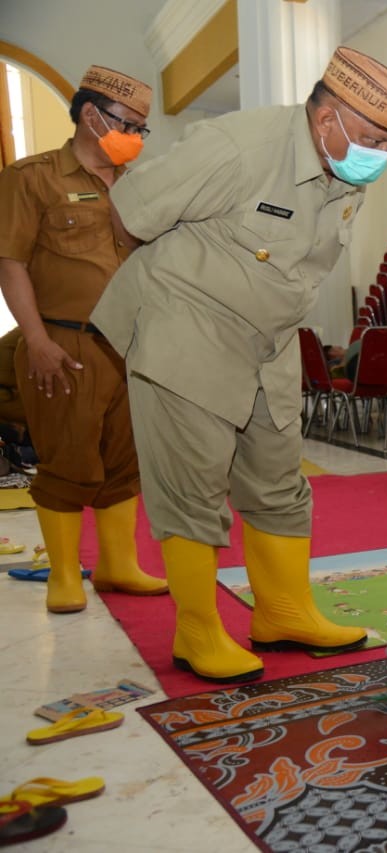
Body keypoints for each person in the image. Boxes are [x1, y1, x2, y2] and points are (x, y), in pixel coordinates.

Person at [89, 47, 387, 683]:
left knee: (278, 479)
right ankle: (197, 632)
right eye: (373, 137)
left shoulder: (346, 171)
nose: (379, 152)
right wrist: (180, 283)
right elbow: (130, 215)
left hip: (267, 338)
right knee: (193, 485)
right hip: (187, 326)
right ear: (326, 119)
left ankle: (284, 611)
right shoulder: (237, 145)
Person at [0, 65, 168, 614]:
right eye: (129, 125)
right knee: (68, 461)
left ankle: (119, 565)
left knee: (126, 461)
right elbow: (12, 262)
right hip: (63, 345)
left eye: (144, 129)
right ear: (91, 115)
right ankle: (65, 575)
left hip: (130, 346)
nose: (137, 138)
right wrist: (36, 339)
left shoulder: (137, 184)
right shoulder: (34, 177)